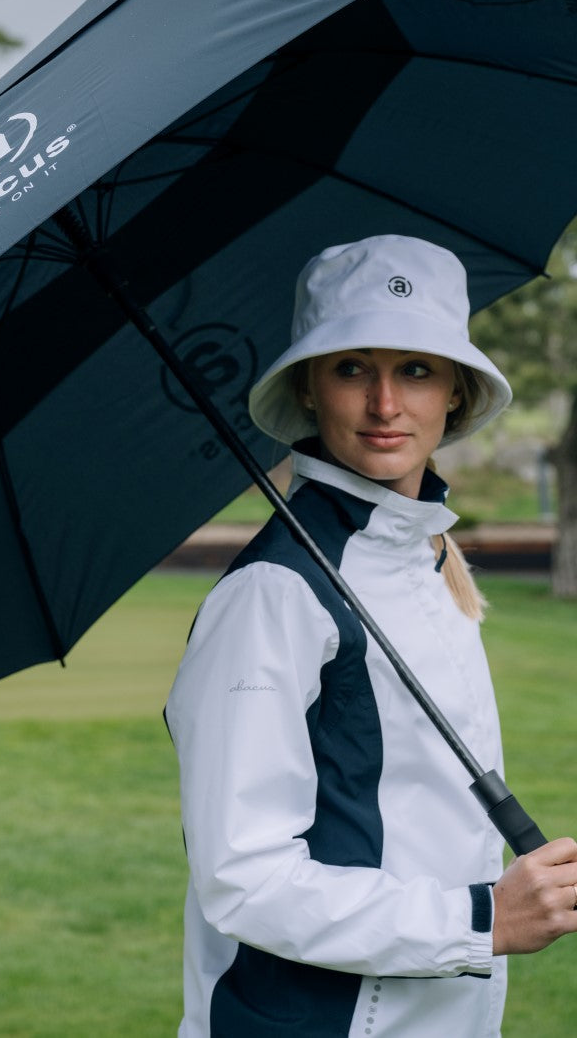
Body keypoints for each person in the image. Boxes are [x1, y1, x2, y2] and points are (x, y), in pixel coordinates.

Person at [165, 235, 577, 1037]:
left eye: (416, 369)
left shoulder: (427, 555)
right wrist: (482, 918)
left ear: (455, 391)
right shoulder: (273, 593)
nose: (385, 404)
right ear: (310, 391)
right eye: (352, 368)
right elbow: (242, 878)